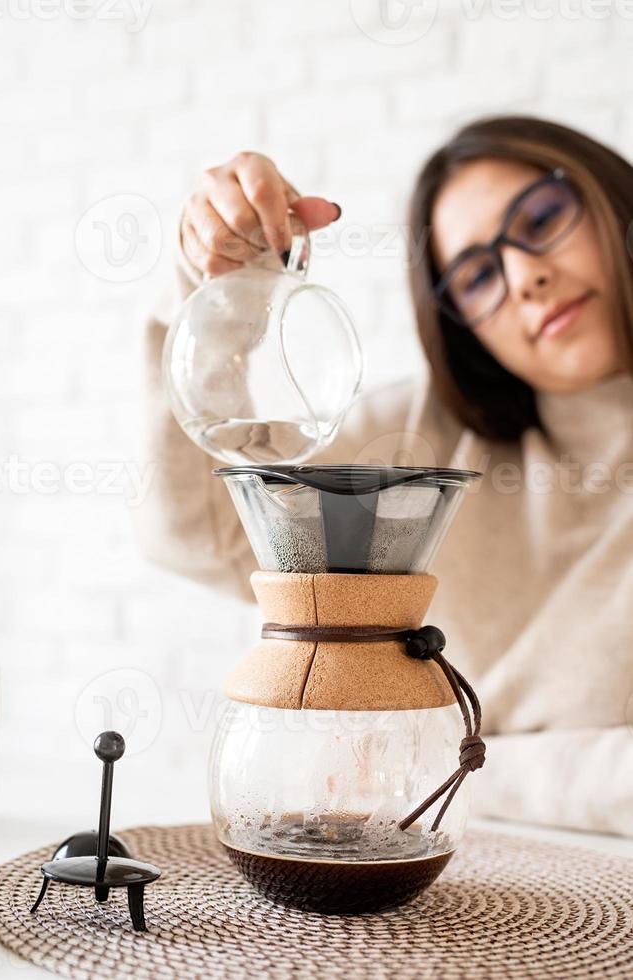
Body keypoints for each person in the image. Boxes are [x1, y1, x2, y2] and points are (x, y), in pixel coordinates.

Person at [138, 115, 633, 836]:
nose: (527, 276)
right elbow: (192, 533)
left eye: (544, 219)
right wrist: (212, 297)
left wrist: (454, 767)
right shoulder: (423, 443)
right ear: (463, 324)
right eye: (478, 274)